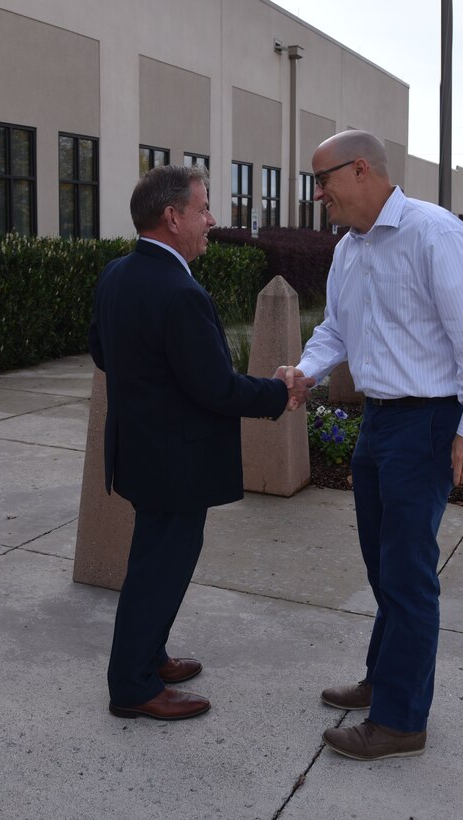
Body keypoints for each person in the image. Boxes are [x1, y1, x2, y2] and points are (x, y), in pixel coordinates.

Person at [279, 130, 463, 760]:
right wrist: (305, 371)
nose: (317, 192)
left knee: (407, 575)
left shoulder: (435, 235)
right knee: (385, 566)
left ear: (360, 171)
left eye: (323, 179)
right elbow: (336, 330)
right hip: (379, 422)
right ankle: (384, 679)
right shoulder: (350, 249)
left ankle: (402, 720)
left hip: (428, 423)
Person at [89, 164, 313, 721]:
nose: (212, 220)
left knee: (154, 562)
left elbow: (102, 355)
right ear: (172, 217)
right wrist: (279, 392)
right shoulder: (179, 291)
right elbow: (215, 388)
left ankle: (150, 655)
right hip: (175, 462)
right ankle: (134, 685)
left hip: (140, 453)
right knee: (159, 569)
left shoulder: (117, 273)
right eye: (204, 208)